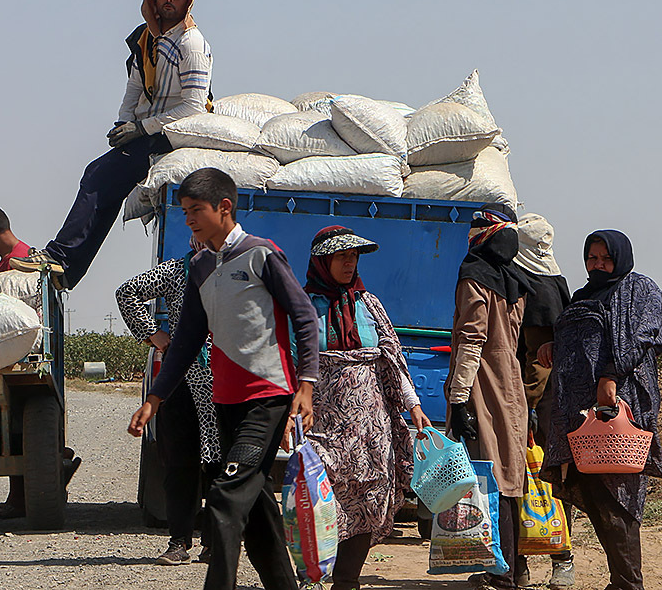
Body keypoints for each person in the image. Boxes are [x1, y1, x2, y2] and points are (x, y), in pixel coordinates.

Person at [128, 167, 318, 590]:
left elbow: (304, 315)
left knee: (226, 495)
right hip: (225, 401)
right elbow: (187, 339)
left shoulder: (261, 255)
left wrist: (306, 384)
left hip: (268, 398)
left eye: (196, 210)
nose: (188, 219)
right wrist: (156, 398)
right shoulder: (198, 266)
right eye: (185, 212)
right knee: (259, 509)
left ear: (224, 207)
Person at [11, 0, 212, 290]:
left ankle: (60, 258)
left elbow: (194, 107)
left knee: (98, 177)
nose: (168, 0)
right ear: (153, 0)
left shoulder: (191, 43)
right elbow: (133, 88)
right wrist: (123, 124)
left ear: (187, 2)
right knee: (102, 181)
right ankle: (67, 268)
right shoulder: (146, 39)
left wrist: (141, 128)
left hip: (172, 133)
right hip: (145, 131)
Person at [295, 226, 429, 590]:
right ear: (322, 261)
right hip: (321, 421)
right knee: (320, 494)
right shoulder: (302, 306)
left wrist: (412, 404)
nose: (349, 263)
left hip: (371, 427)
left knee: (368, 496)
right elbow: (289, 362)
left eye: (353, 256)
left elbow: (392, 357)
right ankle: (314, 572)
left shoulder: (368, 304)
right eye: (341, 256)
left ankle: (347, 581)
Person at [538, 230, 662, 590]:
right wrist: (554, 344)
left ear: (620, 257)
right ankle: (622, 580)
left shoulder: (641, 289)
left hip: (620, 406)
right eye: (591, 258)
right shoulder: (583, 295)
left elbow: (644, 335)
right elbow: (581, 339)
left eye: (605, 258)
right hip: (581, 417)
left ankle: (628, 583)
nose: (598, 264)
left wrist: (610, 375)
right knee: (593, 491)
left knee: (618, 495)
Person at [0, 202, 80, 520]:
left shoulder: (19, 264)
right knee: (18, 431)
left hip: (20, 358)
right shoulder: (25, 257)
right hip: (23, 354)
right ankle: (44, 476)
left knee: (15, 431)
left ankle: (20, 498)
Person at [115, 236, 221, 565]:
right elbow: (126, 292)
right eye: (196, 233)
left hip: (223, 383)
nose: (204, 240)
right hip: (180, 383)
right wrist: (153, 334)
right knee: (180, 463)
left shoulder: (234, 271)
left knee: (221, 462)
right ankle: (179, 542)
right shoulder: (176, 271)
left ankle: (216, 541)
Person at [444, 203, 533, 590]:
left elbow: (472, 341)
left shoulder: (474, 276)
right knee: (509, 477)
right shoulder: (516, 280)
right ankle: (515, 568)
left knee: (488, 476)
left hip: (482, 384)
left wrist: (459, 397)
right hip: (511, 385)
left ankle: (502, 573)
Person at [512, 213, 574, 589]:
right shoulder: (558, 282)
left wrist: (528, 410)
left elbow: (538, 361)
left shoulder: (532, 287)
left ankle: (554, 558)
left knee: (533, 479)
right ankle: (535, 560)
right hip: (546, 403)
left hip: (536, 404)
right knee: (549, 480)